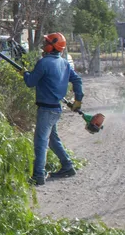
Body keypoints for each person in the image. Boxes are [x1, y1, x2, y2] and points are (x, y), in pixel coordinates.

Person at [23, 32, 84, 186]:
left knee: (41, 142)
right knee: (52, 139)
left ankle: (38, 175)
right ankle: (67, 165)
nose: (44, 45)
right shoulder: (64, 63)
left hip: (46, 110)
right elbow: (77, 80)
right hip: (56, 108)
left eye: (46, 43)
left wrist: (25, 74)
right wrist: (78, 100)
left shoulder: (44, 63)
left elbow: (30, 82)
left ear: (52, 47)